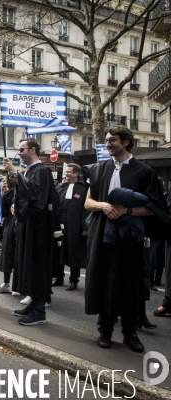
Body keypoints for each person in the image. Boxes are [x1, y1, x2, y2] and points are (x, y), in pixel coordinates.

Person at [84, 126, 168, 353]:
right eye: (107, 140)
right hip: (102, 233)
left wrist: (126, 212)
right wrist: (104, 205)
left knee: (129, 285)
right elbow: (88, 203)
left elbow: (155, 209)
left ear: (126, 142)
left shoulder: (144, 172)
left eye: (113, 140)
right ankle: (105, 331)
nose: (108, 144)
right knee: (103, 281)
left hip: (130, 237)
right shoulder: (100, 169)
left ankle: (131, 334)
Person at [3, 137, 57, 326]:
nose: (19, 153)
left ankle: (39, 311)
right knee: (28, 264)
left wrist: (14, 173)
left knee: (37, 266)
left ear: (32, 150)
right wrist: (16, 207)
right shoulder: (31, 171)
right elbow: (25, 195)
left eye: (22, 149)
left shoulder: (41, 170)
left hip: (39, 228)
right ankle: (33, 303)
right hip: (29, 225)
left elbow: (35, 195)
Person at [52, 163, 89, 291]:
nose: (66, 174)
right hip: (61, 225)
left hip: (75, 226)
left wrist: (86, 226)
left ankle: (74, 280)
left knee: (74, 252)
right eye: (65, 172)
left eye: (68, 172)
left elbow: (86, 209)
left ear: (76, 174)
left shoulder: (83, 189)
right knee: (59, 251)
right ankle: (59, 277)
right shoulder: (60, 187)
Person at [0, 177, 19, 295]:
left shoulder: (27, 191)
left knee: (19, 258)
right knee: (7, 256)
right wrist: (2, 193)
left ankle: (18, 286)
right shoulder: (11, 192)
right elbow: (2, 211)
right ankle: (6, 283)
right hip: (9, 227)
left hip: (21, 228)